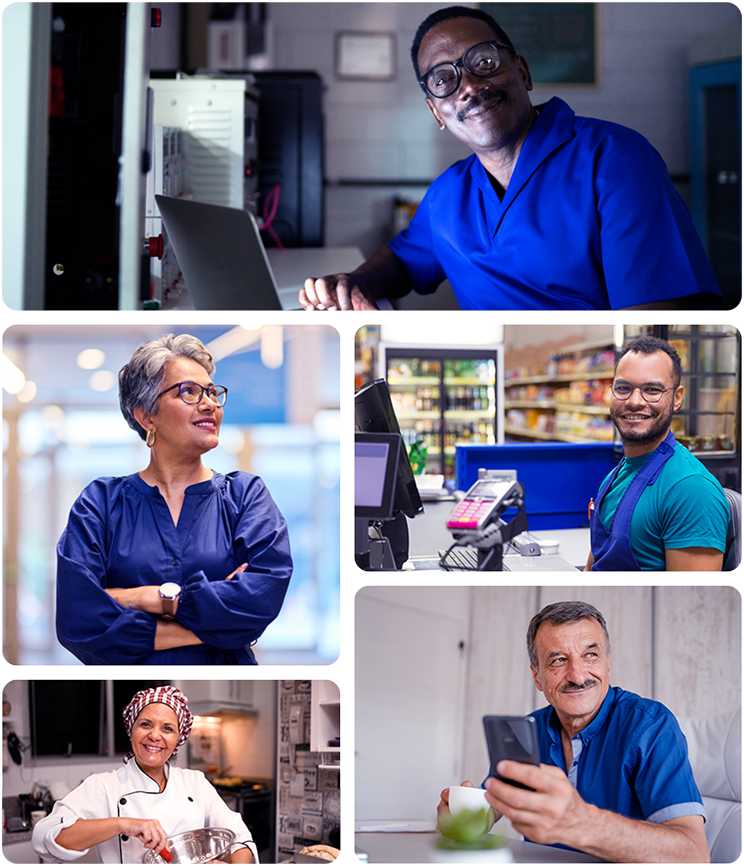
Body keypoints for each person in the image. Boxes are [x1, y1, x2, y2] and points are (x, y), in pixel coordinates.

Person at [299, 6, 722, 317]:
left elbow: (658, 329)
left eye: (483, 61)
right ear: (436, 113)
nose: (468, 86)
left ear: (522, 72)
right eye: (444, 79)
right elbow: (403, 260)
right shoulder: (450, 192)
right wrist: (356, 283)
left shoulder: (614, 159)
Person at [56, 334, 293, 665]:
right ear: (146, 417)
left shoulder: (245, 496)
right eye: (189, 392)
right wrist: (222, 624)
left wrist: (143, 599)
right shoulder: (101, 504)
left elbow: (261, 601)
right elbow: (79, 624)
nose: (209, 403)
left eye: (212, 392)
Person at [437, 602, 710, 863]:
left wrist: (583, 824)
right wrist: (467, 818)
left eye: (590, 655)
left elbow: (694, 854)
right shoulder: (527, 730)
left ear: (607, 663)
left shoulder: (652, 726)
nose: (578, 676)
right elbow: (495, 804)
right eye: (558, 660)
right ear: (537, 677)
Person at [32, 686, 257, 864]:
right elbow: (44, 837)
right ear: (132, 730)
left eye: (167, 728)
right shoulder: (104, 786)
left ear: (178, 739)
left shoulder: (195, 782)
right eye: (146, 724)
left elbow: (239, 835)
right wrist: (123, 824)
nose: (155, 735)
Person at [585, 335, 729, 572]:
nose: (634, 401)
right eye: (623, 388)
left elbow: (690, 601)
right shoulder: (617, 474)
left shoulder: (691, 489)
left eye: (652, 390)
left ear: (677, 398)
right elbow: (593, 568)